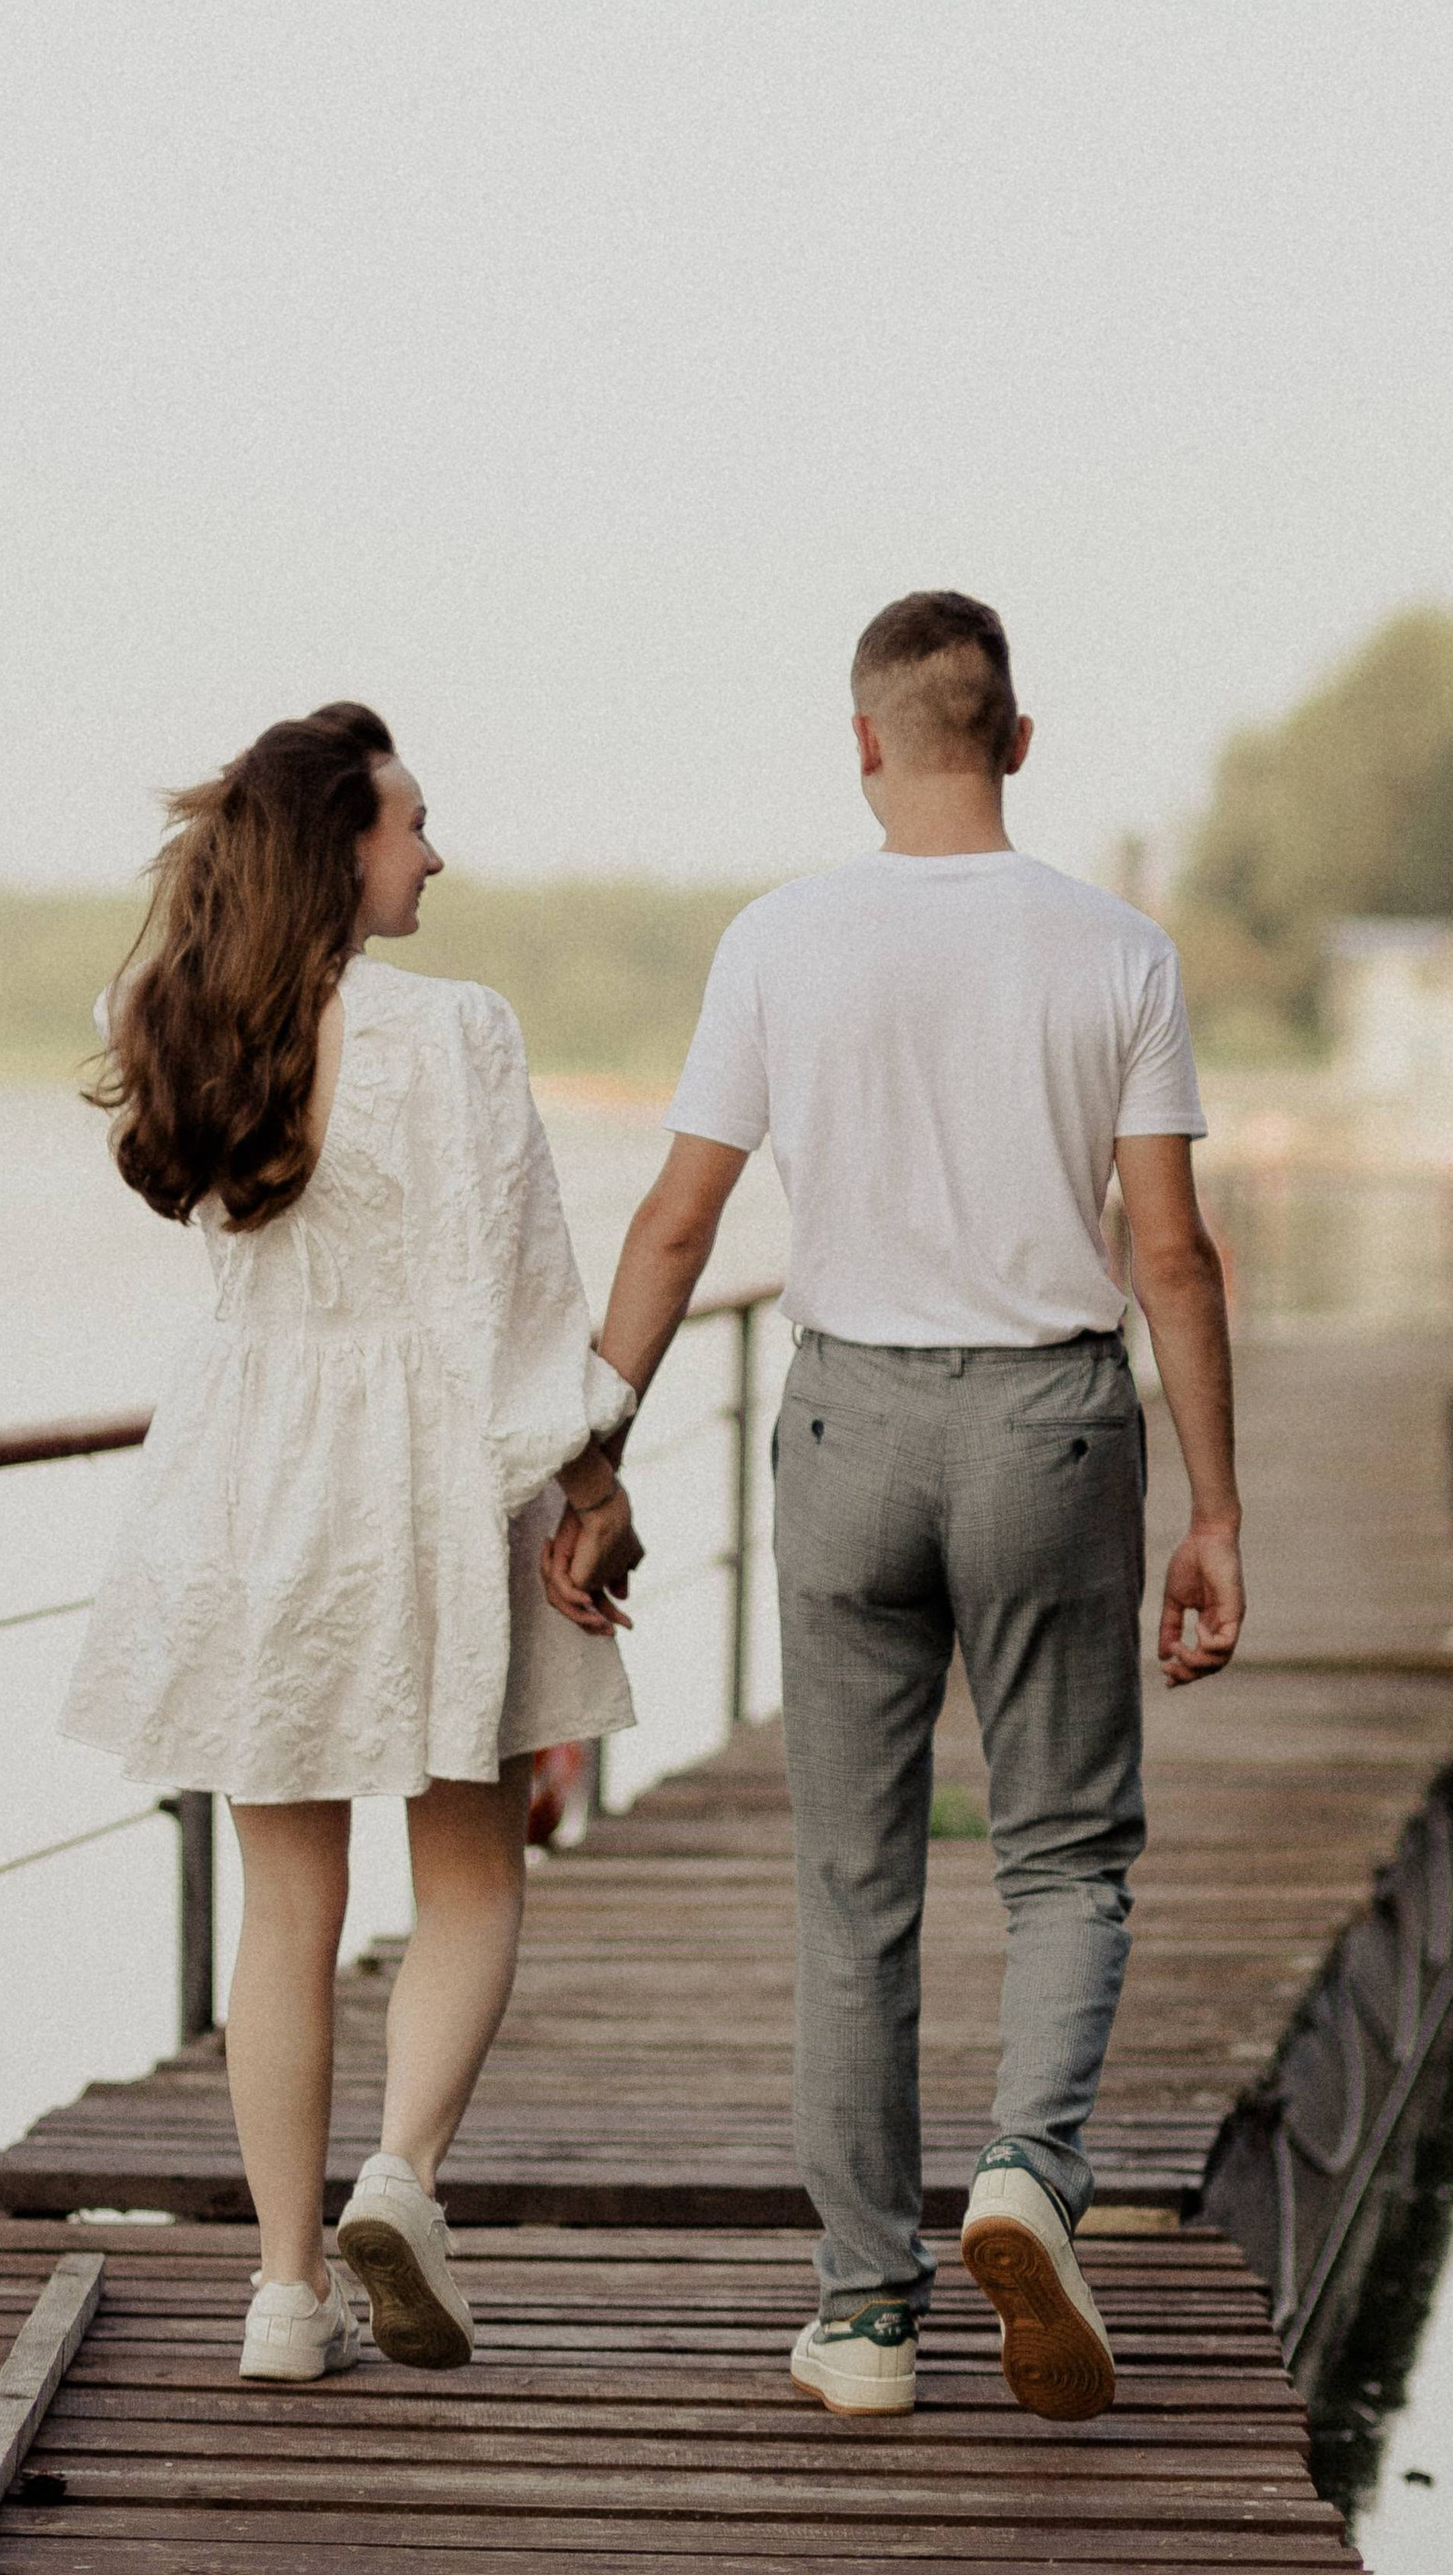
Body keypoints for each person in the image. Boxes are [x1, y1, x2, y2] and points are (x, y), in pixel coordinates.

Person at [545, 591, 1242, 2426]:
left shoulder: (781, 938)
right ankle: (1026, 2171)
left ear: (865, 743)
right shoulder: (1119, 951)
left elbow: (680, 1224)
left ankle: (862, 2318)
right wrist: (1219, 1512)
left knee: (854, 1886)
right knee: (1065, 1849)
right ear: (1018, 736)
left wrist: (596, 1443)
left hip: (848, 1420)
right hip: (1051, 1429)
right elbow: (1171, 1250)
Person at [63, 703, 637, 2383]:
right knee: (467, 1870)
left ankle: (283, 2292)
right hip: (428, 1475)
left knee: (283, 1898)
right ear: (344, 841)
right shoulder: (452, 1031)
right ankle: (402, 2176)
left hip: (248, 1478)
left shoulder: (175, 1015)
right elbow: (519, 1289)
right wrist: (590, 1477)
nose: (436, 855)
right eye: (412, 823)